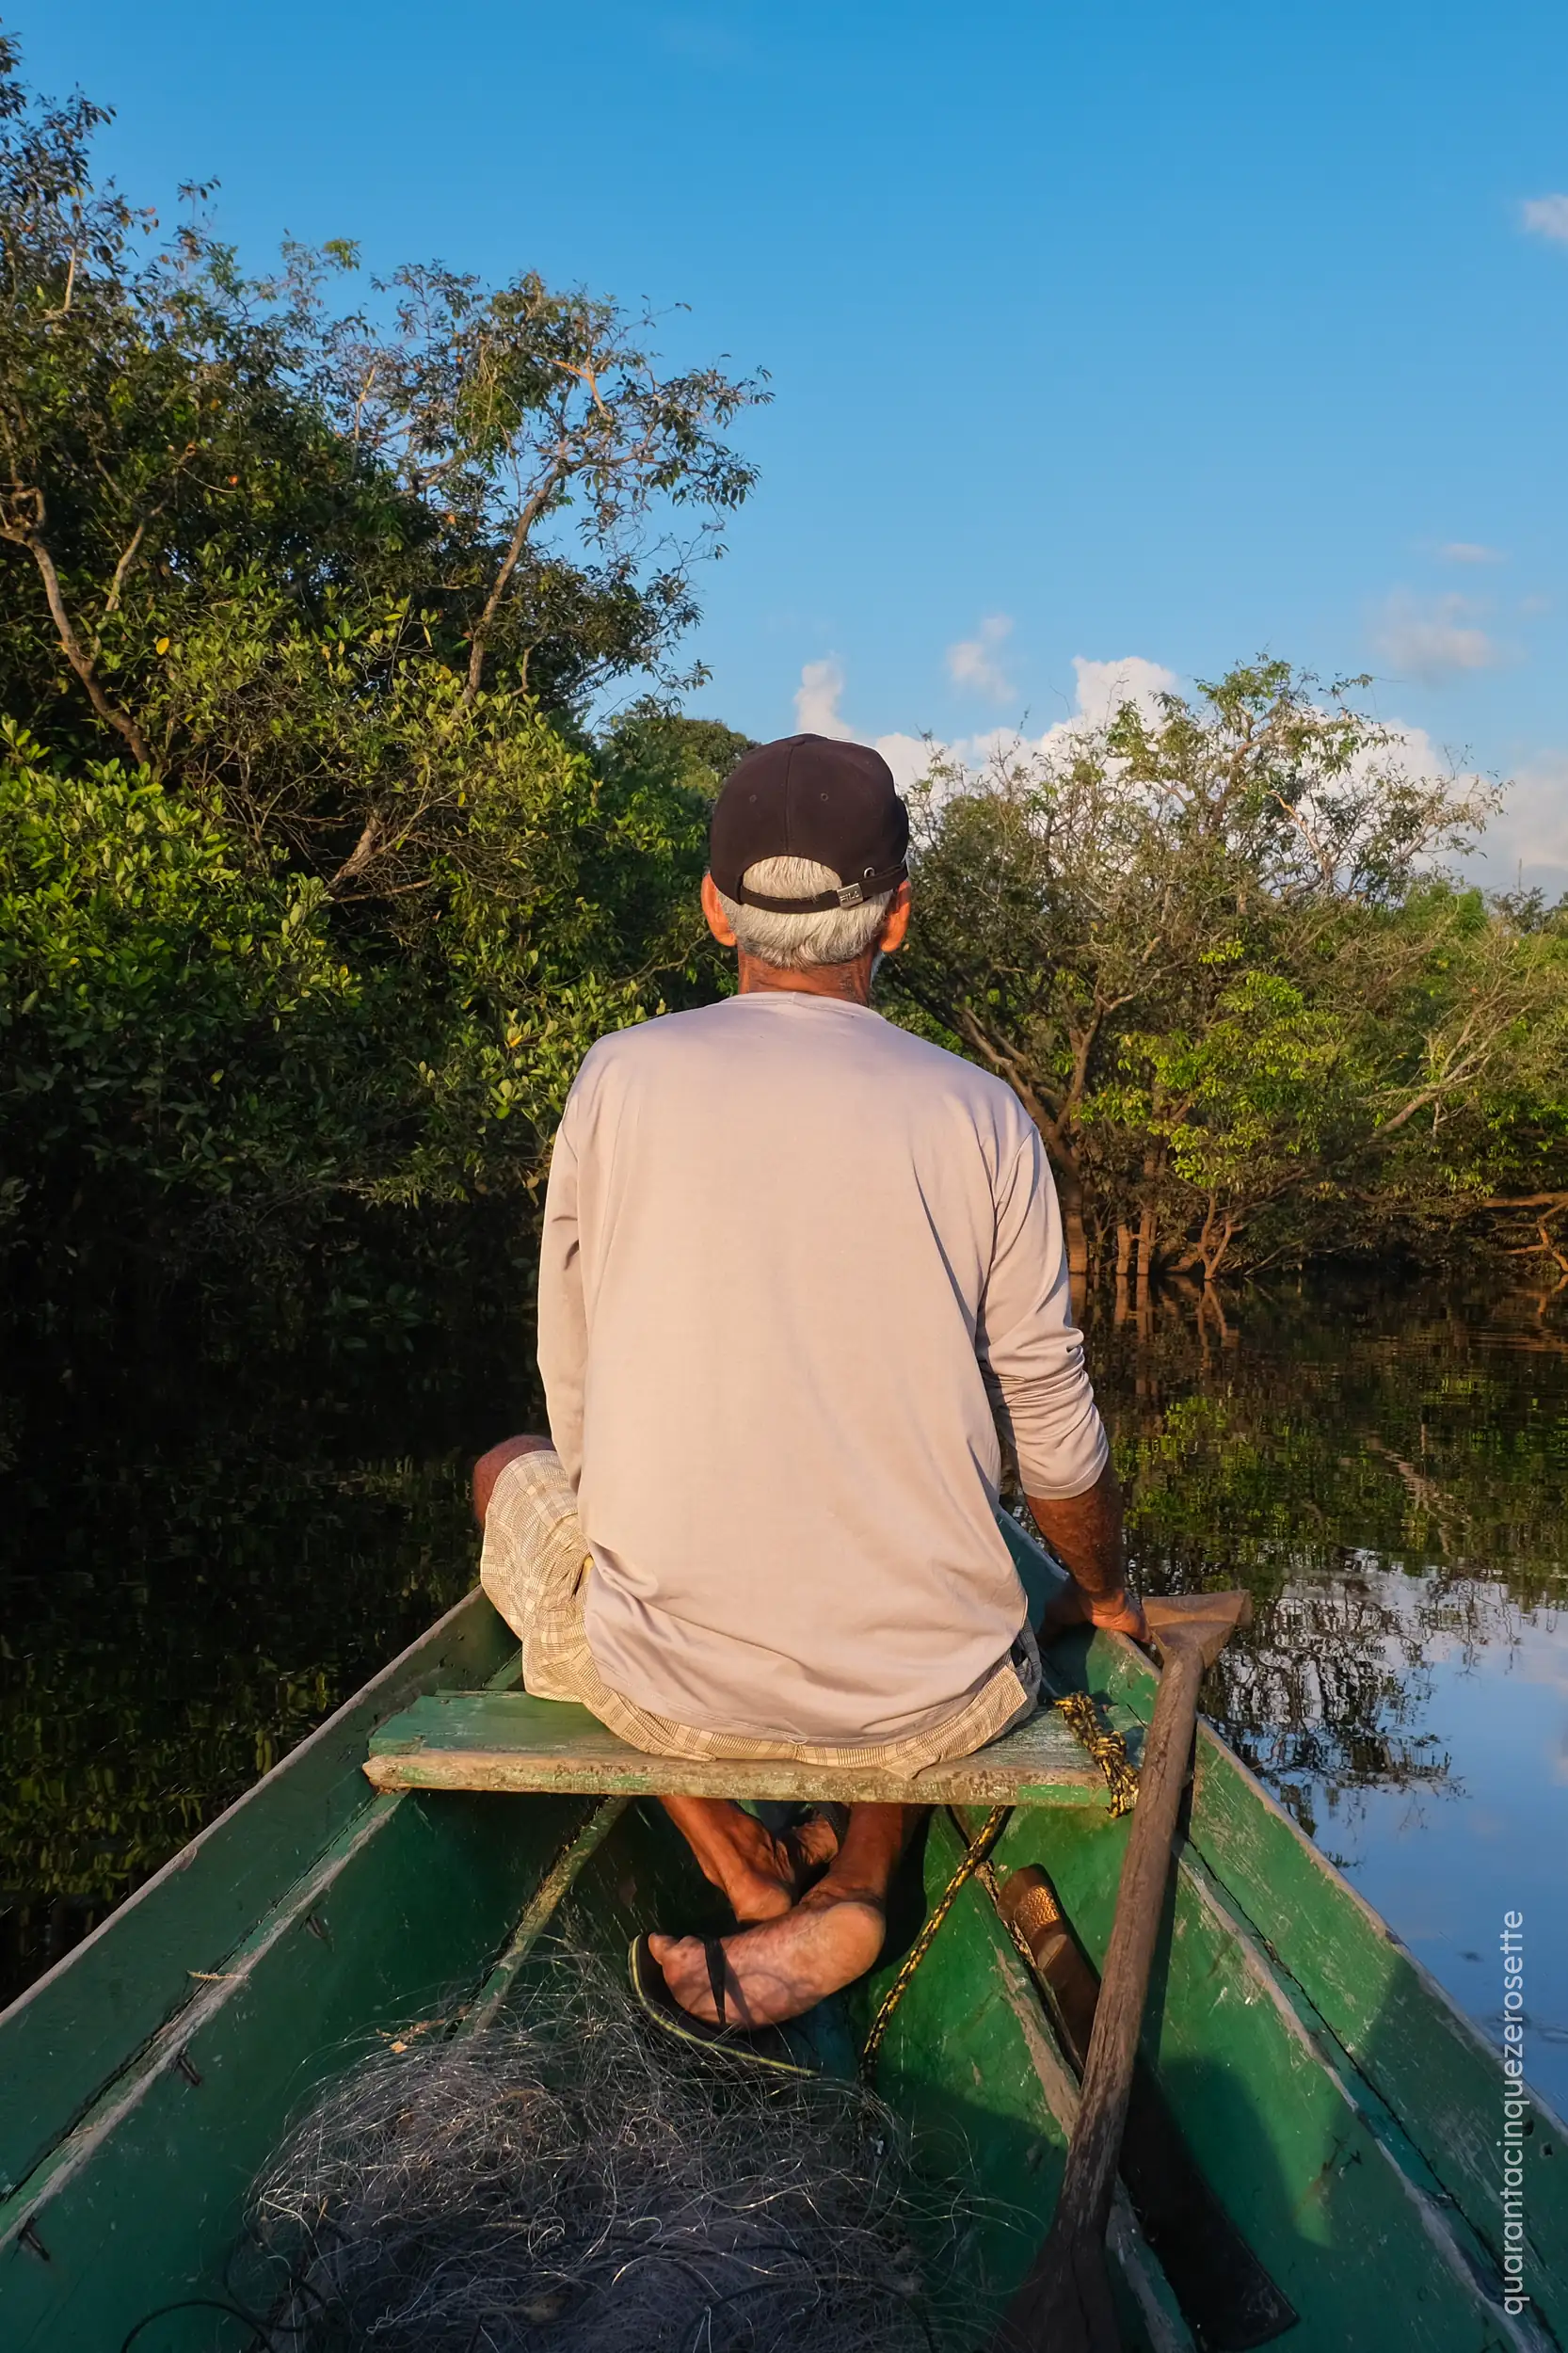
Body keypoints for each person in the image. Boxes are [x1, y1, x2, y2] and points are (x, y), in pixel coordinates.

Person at [472, 732, 1144, 2043]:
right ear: (897, 913)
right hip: (926, 1708)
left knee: (507, 1467)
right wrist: (1102, 1587)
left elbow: (575, 1381)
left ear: (714, 908)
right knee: (989, 1555)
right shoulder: (979, 1112)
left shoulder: (618, 1075)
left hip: (669, 1686)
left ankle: (732, 1861)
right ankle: (865, 1872)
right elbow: (1053, 1435)